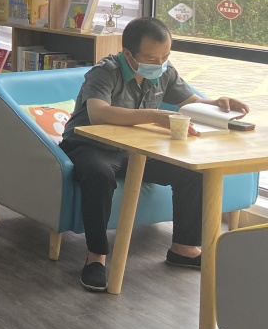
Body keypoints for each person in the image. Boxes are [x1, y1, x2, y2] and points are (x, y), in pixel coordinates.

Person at [59, 16, 249, 292]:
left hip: (134, 149)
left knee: (191, 171)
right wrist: (154, 116)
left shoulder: (164, 71)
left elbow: (191, 102)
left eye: (165, 57)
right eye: (151, 58)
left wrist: (217, 104)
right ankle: (96, 257)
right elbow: (98, 113)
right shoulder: (106, 71)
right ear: (128, 53)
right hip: (89, 145)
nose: (159, 64)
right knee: (99, 175)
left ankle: (184, 248)